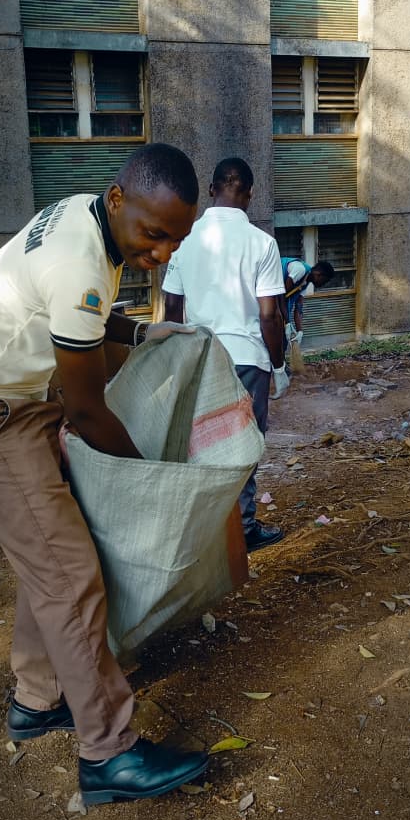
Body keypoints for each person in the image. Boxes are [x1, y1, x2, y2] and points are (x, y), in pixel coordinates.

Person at [0, 143, 209, 806]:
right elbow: (86, 411)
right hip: (3, 418)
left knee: (50, 559)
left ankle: (37, 699)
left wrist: (142, 334)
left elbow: (81, 318)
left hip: (20, 402)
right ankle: (108, 755)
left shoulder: (84, 218)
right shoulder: (80, 262)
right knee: (72, 576)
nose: (164, 252)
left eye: (176, 237)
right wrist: (150, 482)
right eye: (154, 233)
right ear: (118, 200)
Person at [163, 157, 289, 554]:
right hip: (248, 358)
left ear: (212, 188)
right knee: (245, 443)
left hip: (202, 357)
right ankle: (243, 526)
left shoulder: (185, 239)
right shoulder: (261, 243)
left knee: (204, 442)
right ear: (249, 194)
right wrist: (280, 365)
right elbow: (269, 315)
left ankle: (208, 528)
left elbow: (170, 309)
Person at [280, 257, 335, 351]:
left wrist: (300, 331)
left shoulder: (305, 283)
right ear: (319, 274)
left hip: (280, 307)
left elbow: (299, 308)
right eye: (325, 281)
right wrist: (287, 323)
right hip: (269, 299)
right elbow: (280, 297)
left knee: (283, 340)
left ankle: (282, 363)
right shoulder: (300, 270)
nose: (323, 284)